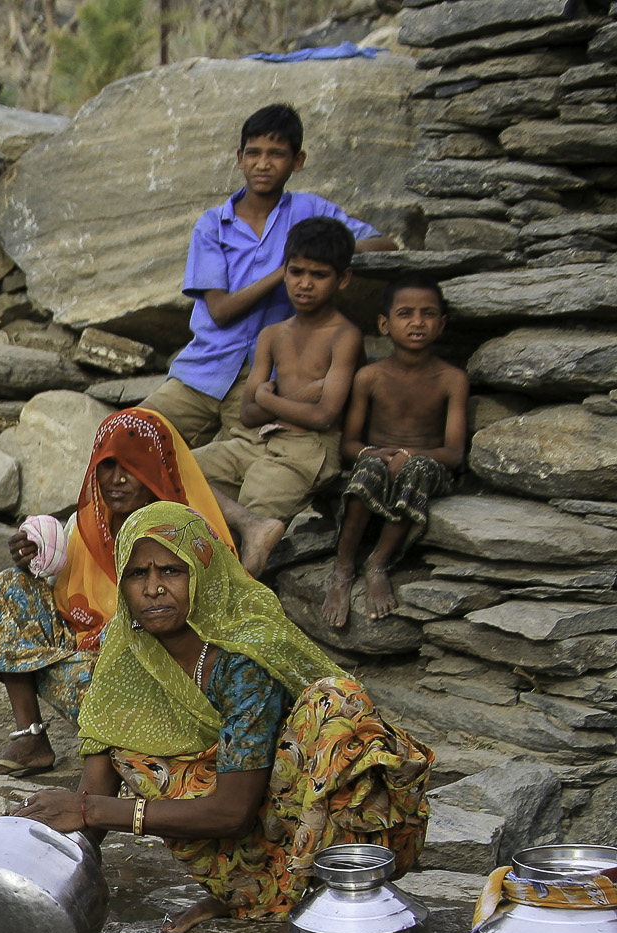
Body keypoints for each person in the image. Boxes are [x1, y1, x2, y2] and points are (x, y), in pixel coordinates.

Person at [11, 502, 433, 933]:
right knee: (124, 746)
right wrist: (34, 875)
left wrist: (93, 810)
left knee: (335, 709)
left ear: (201, 574)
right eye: (136, 574)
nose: (153, 588)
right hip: (249, 829)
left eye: (171, 570)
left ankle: (322, 902)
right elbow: (94, 790)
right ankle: (250, 894)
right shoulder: (128, 649)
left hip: (316, 820)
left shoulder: (242, 654)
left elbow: (232, 811)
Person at [0, 408, 235, 778]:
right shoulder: (87, 525)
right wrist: (33, 559)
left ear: (155, 469)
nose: (117, 479)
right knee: (10, 585)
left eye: (132, 467)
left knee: (99, 645)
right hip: (86, 658)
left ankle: (138, 755)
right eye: (106, 466)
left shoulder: (183, 532)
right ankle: (31, 738)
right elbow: (59, 588)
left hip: (156, 678)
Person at [145, 102, 392, 452]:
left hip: (266, 381)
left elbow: (384, 244)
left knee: (240, 465)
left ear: (298, 161)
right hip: (202, 369)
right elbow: (221, 310)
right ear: (239, 158)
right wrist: (285, 270)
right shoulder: (213, 224)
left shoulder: (311, 211)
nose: (263, 163)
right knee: (130, 435)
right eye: (254, 153)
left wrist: (323, 252)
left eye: (277, 154)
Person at [189, 216, 365, 578]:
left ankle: (232, 612)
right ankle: (250, 522)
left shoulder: (343, 336)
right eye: (296, 271)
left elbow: (325, 416)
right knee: (171, 466)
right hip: (256, 440)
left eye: (318, 275)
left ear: (343, 279)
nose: (304, 283)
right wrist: (301, 395)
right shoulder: (272, 334)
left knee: (236, 541)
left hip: (306, 450)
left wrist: (270, 399)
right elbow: (248, 413)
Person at [321, 276, 470, 628]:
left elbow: (454, 453)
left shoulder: (452, 379)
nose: (417, 322)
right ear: (385, 324)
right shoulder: (369, 377)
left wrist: (410, 455)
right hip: (379, 460)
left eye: (428, 314)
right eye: (405, 313)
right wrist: (384, 454)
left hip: (428, 468)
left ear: (442, 324)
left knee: (416, 468)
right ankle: (342, 568)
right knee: (369, 467)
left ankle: (378, 563)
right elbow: (349, 446)